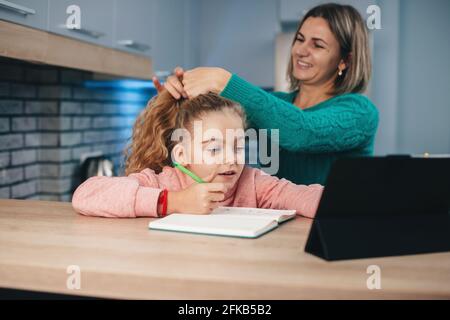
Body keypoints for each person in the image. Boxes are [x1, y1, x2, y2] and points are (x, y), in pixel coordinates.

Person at [154, 3, 379, 185]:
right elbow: (207, 131)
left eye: (317, 45)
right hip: (279, 224)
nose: (301, 50)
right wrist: (179, 101)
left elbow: (302, 132)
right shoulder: (277, 104)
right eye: (299, 39)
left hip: (334, 230)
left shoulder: (360, 110)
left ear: (345, 60)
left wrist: (224, 81)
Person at [72, 92, 323, 218]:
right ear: (182, 154)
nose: (230, 159)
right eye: (214, 148)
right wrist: (173, 202)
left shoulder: (253, 182)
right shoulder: (163, 182)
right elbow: (87, 194)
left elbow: (301, 195)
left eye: (238, 147)